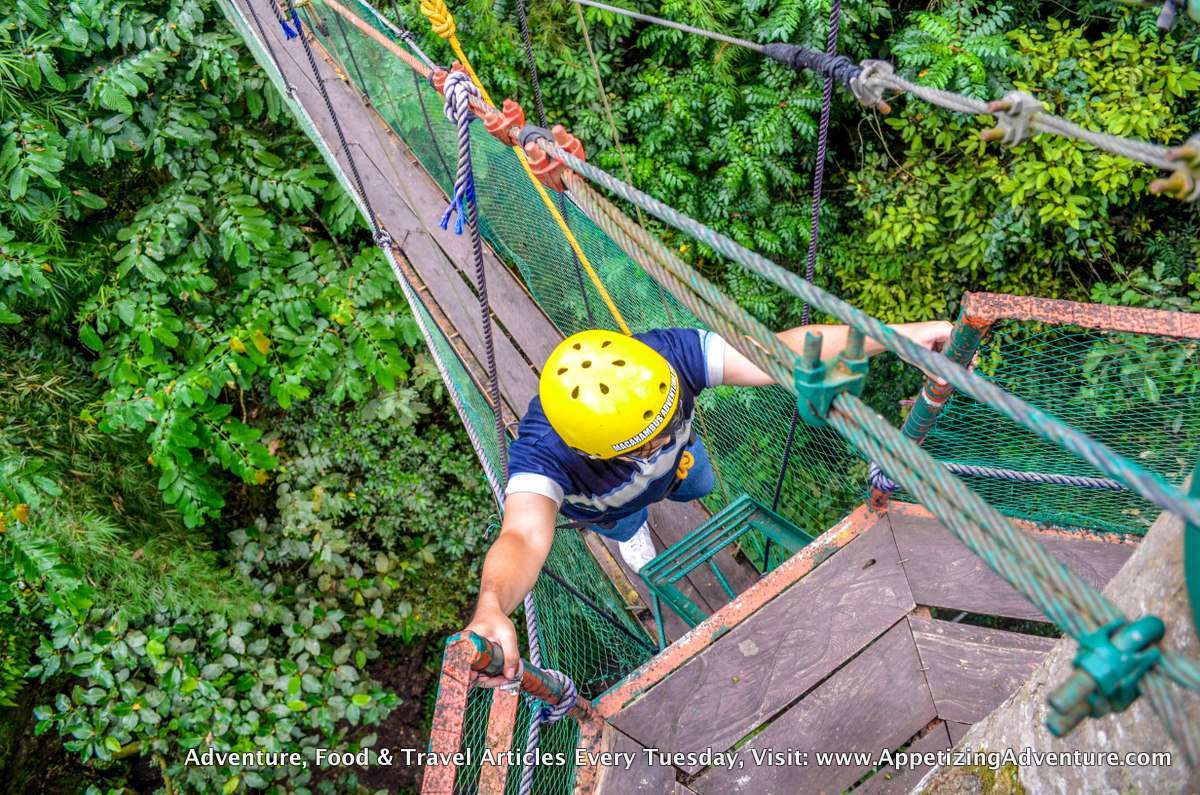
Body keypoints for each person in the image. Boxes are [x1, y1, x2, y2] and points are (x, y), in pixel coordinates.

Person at [465, 320, 952, 681]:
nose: (667, 434)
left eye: (672, 417)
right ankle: (635, 533)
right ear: (590, 449)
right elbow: (523, 536)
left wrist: (895, 337)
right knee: (628, 524)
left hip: (682, 467)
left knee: (698, 483)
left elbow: (777, 352)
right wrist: (492, 604)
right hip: (612, 507)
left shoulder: (664, 357)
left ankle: (671, 484)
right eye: (645, 444)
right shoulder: (542, 455)